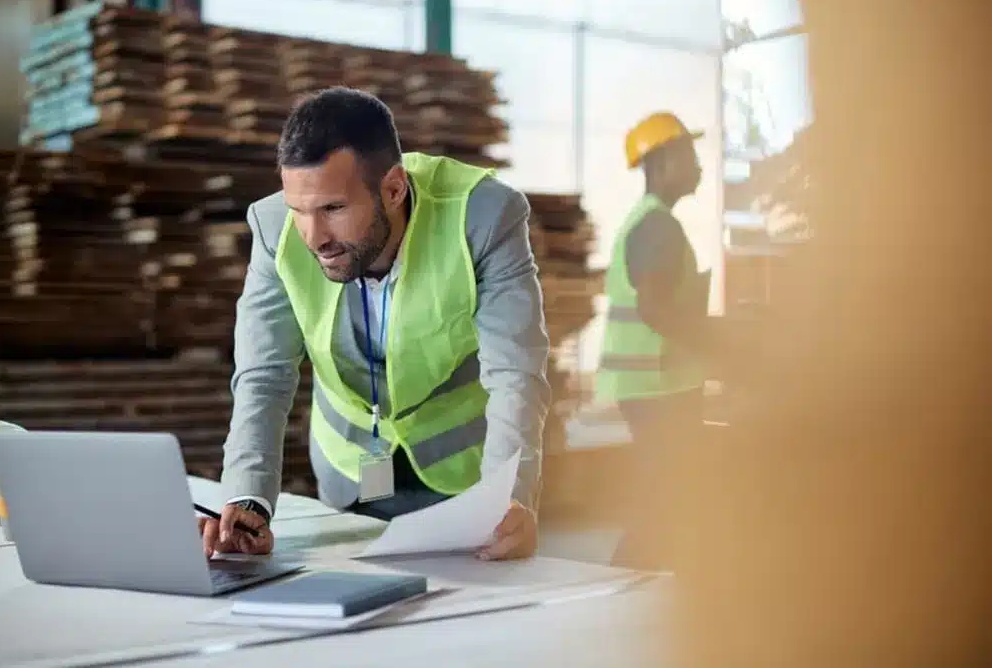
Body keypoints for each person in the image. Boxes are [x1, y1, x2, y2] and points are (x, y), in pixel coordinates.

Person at [200, 87, 551, 562]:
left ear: (392, 189)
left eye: (333, 209)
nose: (314, 237)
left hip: (466, 481)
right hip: (348, 478)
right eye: (299, 211)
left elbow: (515, 374)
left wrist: (507, 497)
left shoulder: (484, 217)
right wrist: (247, 497)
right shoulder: (273, 230)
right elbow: (264, 375)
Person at [594, 112, 710, 568]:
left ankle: (641, 585)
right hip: (659, 388)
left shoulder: (647, 221)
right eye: (690, 155)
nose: (698, 167)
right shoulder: (657, 226)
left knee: (666, 497)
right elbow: (657, 309)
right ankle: (624, 584)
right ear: (662, 163)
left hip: (654, 386)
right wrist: (723, 340)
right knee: (664, 498)